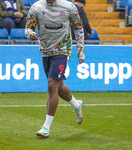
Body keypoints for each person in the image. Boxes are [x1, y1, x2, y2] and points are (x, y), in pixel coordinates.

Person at [25, 0, 85, 138]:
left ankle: (45, 128)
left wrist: (80, 50)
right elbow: (28, 27)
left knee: (52, 84)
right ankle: (77, 105)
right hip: (45, 51)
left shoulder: (69, 7)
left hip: (63, 50)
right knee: (58, 86)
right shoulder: (36, 7)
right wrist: (30, 34)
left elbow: (78, 27)